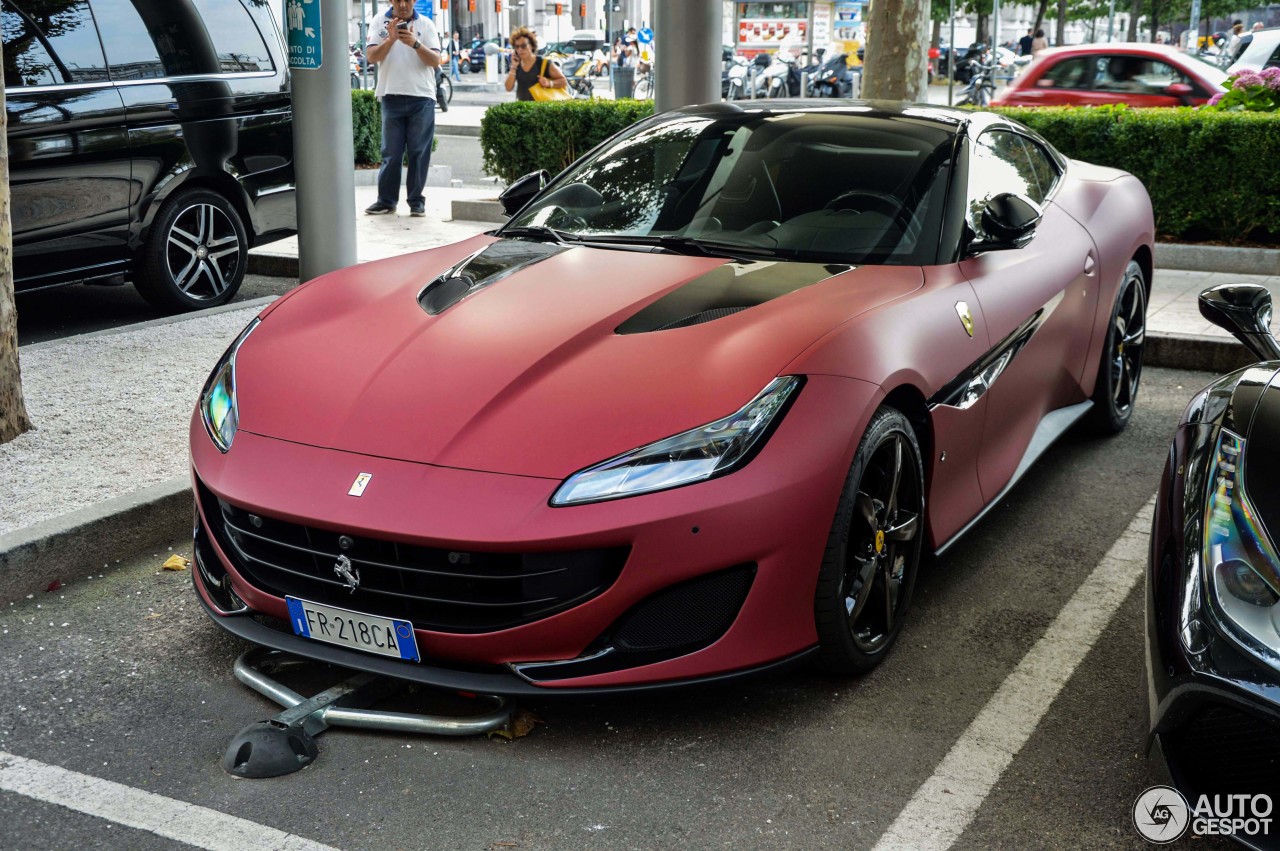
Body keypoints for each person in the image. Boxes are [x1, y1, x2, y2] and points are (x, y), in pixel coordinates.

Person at [363, 0, 442, 217]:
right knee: (391, 152)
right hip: (391, 94)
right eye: (398, 0)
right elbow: (371, 56)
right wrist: (390, 40)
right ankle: (386, 201)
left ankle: (416, 201)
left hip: (421, 97)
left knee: (419, 152)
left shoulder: (426, 24)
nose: (403, 4)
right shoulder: (380, 21)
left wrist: (415, 44)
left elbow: (435, 60)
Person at [503, 26, 567, 101]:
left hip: (540, 108)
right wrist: (513, 67)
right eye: (517, 47)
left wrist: (549, 83)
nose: (520, 49)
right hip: (522, 109)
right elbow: (508, 88)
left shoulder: (543, 63)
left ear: (532, 46)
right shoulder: (517, 65)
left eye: (523, 46)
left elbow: (563, 81)